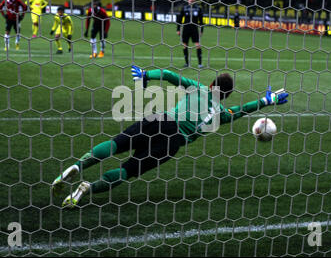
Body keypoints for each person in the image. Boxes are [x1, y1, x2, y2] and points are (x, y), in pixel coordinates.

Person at [51, 65, 289, 207]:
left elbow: (169, 75)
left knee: (115, 144)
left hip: (161, 120)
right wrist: (268, 101)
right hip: (173, 142)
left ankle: (76, 166)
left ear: (211, 84)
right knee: (128, 170)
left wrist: (146, 75)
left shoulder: (198, 87)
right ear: (226, 96)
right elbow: (243, 110)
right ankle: (87, 188)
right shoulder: (222, 113)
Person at [177, 0, 204, 68]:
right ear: (187, 0)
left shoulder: (198, 8)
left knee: (198, 45)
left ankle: (200, 63)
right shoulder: (184, 8)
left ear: (194, 0)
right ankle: (187, 63)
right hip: (186, 28)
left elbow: (201, 20)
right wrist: (178, 29)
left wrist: (201, 30)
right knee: (185, 45)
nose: (191, 0)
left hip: (194, 29)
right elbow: (180, 19)